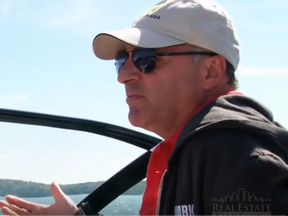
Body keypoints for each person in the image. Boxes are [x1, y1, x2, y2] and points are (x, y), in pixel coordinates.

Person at [1, 0, 288, 215]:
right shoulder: (190, 153)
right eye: (121, 61)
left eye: (145, 58)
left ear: (211, 71)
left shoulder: (236, 156)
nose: (124, 75)